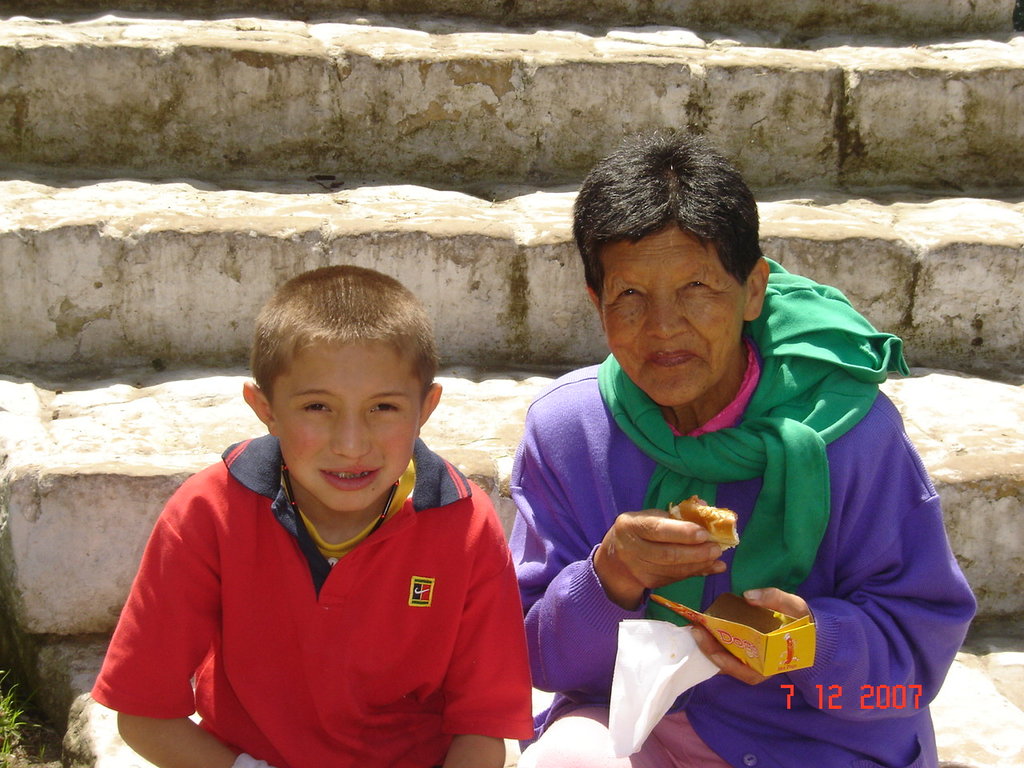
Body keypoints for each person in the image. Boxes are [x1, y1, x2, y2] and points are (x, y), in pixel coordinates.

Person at [510, 133, 976, 768]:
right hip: (634, 726)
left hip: (816, 741)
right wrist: (609, 577)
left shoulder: (852, 437)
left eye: (697, 286)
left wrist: (810, 643)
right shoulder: (568, 430)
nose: (664, 327)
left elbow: (916, 660)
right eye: (630, 295)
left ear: (754, 288)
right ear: (597, 303)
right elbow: (531, 655)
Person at [92, 265, 534, 768]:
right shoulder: (210, 511)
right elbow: (143, 712)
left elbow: (482, 731)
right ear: (266, 409)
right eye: (318, 407)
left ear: (426, 408)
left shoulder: (465, 526)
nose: (351, 444)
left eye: (383, 408)